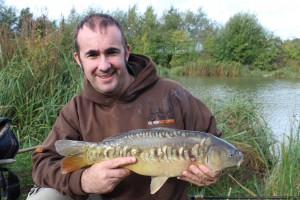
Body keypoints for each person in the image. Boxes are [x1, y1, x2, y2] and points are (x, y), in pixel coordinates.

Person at [27, 13, 222, 200]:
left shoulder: (172, 93)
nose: (104, 65)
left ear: (126, 52)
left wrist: (214, 171)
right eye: (92, 55)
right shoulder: (76, 109)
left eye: (111, 52)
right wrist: (84, 180)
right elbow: (42, 164)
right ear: (79, 60)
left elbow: (215, 143)